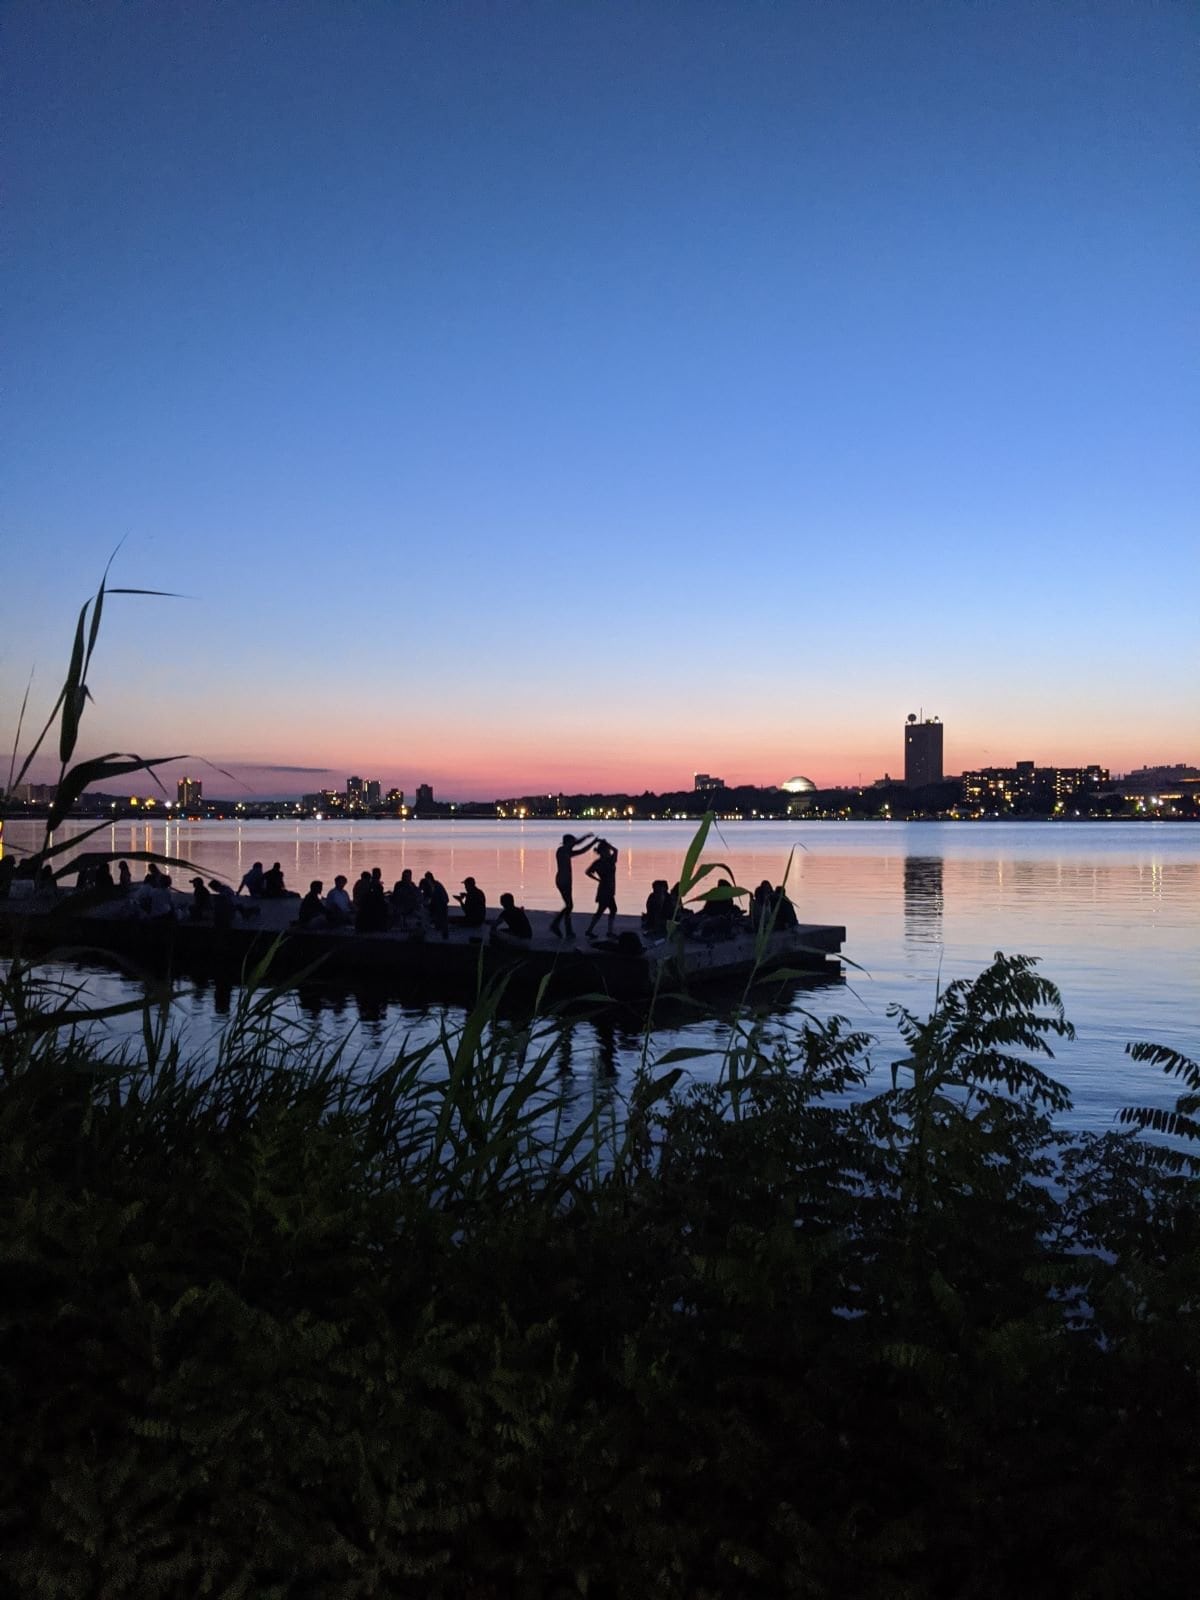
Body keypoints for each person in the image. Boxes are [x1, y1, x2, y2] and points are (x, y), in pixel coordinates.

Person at [548, 832, 595, 940]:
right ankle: (556, 925)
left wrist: (591, 841)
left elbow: (582, 850)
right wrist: (586, 838)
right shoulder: (561, 850)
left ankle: (567, 930)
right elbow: (578, 845)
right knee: (569, 905)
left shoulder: (568, 852)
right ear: (568, 842)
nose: (574, 844)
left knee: (569, 905)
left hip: (567, 881)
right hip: (562, 880)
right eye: (572, 843)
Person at [585, 839, 619, 939]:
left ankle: (592, 930)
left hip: (608, 888)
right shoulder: (605, 861)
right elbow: (588, 872)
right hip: (606, 889)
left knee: (607, 910)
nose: (609, 852)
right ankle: (608, 931)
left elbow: (616, 850)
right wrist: (598, 880)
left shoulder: (607, 861)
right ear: (603, 852)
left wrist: (598, 880)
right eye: (607, 850)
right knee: (610, 909)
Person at [421, 871, 450, 939]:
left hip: (440, 905)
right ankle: (441, 930)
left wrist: (429, 906)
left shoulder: (434, 886)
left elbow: (434, 899)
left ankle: (442, 932)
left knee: (438, 919)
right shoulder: (436, 884)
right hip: (442, 904)